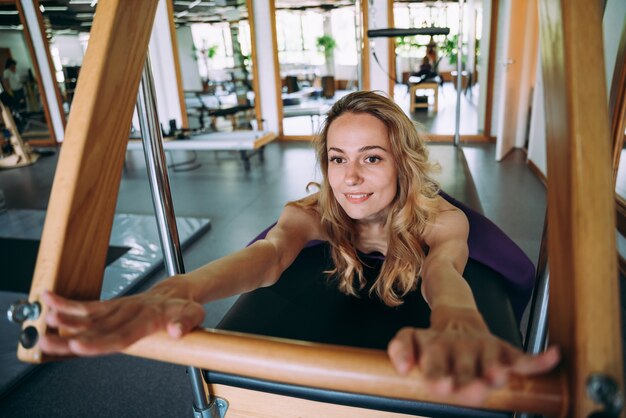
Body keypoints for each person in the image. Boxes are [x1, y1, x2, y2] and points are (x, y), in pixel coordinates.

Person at [40, 91, 559, 404]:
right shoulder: (312, 213)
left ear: (404, 163)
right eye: (337, 158)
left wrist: (455, 317)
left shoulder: (439, 217)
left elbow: (444, 269)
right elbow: (268, 256)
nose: (350, 177)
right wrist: (183, 287)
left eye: (372, 158)